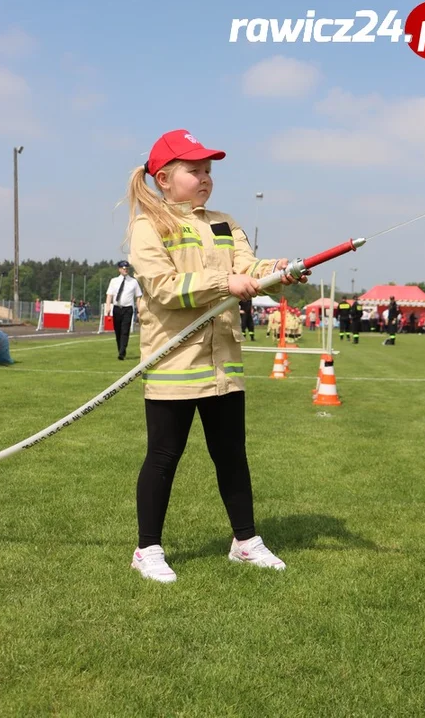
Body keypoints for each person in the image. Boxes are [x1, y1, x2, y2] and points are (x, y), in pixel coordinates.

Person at [125, 129, 309, 583]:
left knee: (231, 454)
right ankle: (147, 549)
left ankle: (244, 542)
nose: (205, 178)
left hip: (224, 362)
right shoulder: (148, 225)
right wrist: (224, 284)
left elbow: (248, 267)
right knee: (164, 455)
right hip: (175, 361)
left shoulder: (226, 221)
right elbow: (164, 289)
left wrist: (276, 271)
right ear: (163, 179)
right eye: (194, 170)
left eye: (208, 170)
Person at [105, 260, 143, 360]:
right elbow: (109, 294)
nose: (125, 270)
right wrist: (108, 306)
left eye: (127, 268)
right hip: (117, 308)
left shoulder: (133, 282)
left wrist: (139, 311)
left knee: (125, 331)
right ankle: (120, 349)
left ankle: (122, 352)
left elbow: (138, 296)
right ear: (119, 269)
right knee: (118, 330)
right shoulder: (114, 281)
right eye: (123, 268)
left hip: (128, 309)